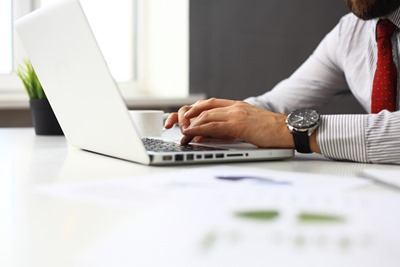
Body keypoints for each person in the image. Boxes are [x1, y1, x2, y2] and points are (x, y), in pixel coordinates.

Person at [165, 0, 400, 165]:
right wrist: (218, 119)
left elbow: (276, 122)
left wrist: (287, 130)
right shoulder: (350, 32)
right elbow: (275, 106)